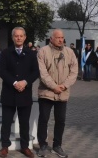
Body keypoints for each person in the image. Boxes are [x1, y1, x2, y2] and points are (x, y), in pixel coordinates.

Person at [0, 27, 39, 158]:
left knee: (24, 122)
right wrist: (15, 83)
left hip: (25, 93)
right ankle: (5, 146)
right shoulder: (5, 53)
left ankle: (25, 147)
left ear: (25, 37)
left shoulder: (31, 54)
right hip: (9, 93)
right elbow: (1, 71)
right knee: (6, 122)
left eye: (21, 36)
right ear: (12, 37)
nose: (19, 38)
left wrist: (25, 82)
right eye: (16, 36)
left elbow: (36, 72)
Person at [36, 29, 78, 158]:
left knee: (61, 120)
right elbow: (43, 73)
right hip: (46, 92)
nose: (61, 40)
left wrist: (64, 86)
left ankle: (57, 146)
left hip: (62, 93)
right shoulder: (42, 52)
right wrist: (54, 87)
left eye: (62, 37)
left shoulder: (69, 52)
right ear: (51, 38)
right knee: (44, 119)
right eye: (58, 37)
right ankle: (43, 145)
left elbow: (74, 72)